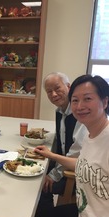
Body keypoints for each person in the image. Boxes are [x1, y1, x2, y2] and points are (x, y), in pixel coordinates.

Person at [27, 74, 109, 217]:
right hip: (84, 212)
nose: (79, 106)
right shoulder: (89, 135)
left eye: (87, 99)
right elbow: (80, 163)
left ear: (105, 102)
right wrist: (50, 155)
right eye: (75, 100)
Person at [39, 72, 87, 207]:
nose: (54, 94)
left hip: (75, 174)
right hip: (64, 164)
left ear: (68, 87)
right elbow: (62, 140)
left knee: (38, 187)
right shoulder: (60, 111)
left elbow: (75, 153)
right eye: (49, 92)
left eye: (57, 88)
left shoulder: (79, 114)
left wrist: (53, 175)